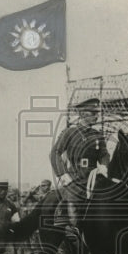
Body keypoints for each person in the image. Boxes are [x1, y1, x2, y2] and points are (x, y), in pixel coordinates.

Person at [49, 97, 109, 235]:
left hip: (94, 179)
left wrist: (104, 166)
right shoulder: (69, 133)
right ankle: (73, 234)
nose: (96, 116)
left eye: (97, 113)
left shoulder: (97, 135)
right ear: (82, 114)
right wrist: (63, 175)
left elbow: (104, 154)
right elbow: (55, 153)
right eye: (93, 113)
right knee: (74, 203)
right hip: (75, 179)